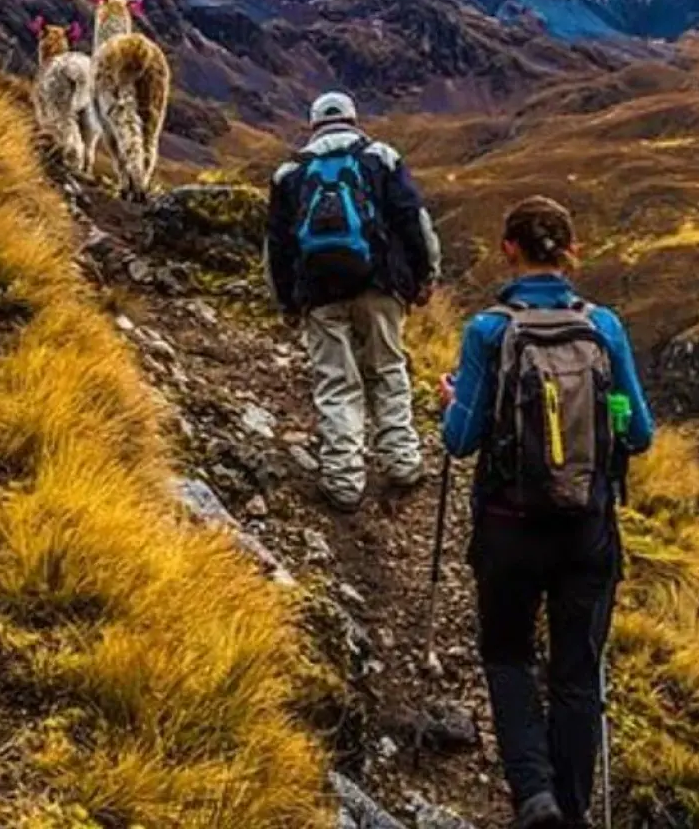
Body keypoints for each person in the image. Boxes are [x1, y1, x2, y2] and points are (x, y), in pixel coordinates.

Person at [439, 196, 653, 829]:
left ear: (509, 249)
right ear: (571, 251)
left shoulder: (487, 331)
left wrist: (453, 401)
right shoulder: (604, 327)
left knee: (507, 656)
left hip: (508, 528)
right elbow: (639, 433)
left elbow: (460, 440)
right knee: (577, 673)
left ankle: (535, 796)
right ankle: (575, 810)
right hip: (587, 528)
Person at [265, 90, 441, 513]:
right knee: (387, 370)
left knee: (336, 383)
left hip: (319, 293)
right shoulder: (380, 158)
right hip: (379, 285)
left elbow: (277, 247)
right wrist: (425, 275)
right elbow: (413, 221)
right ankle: (401, 461)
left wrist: (287, 301)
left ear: (313, 125)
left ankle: (343, 481)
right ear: (354, 120)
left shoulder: (289, 173)